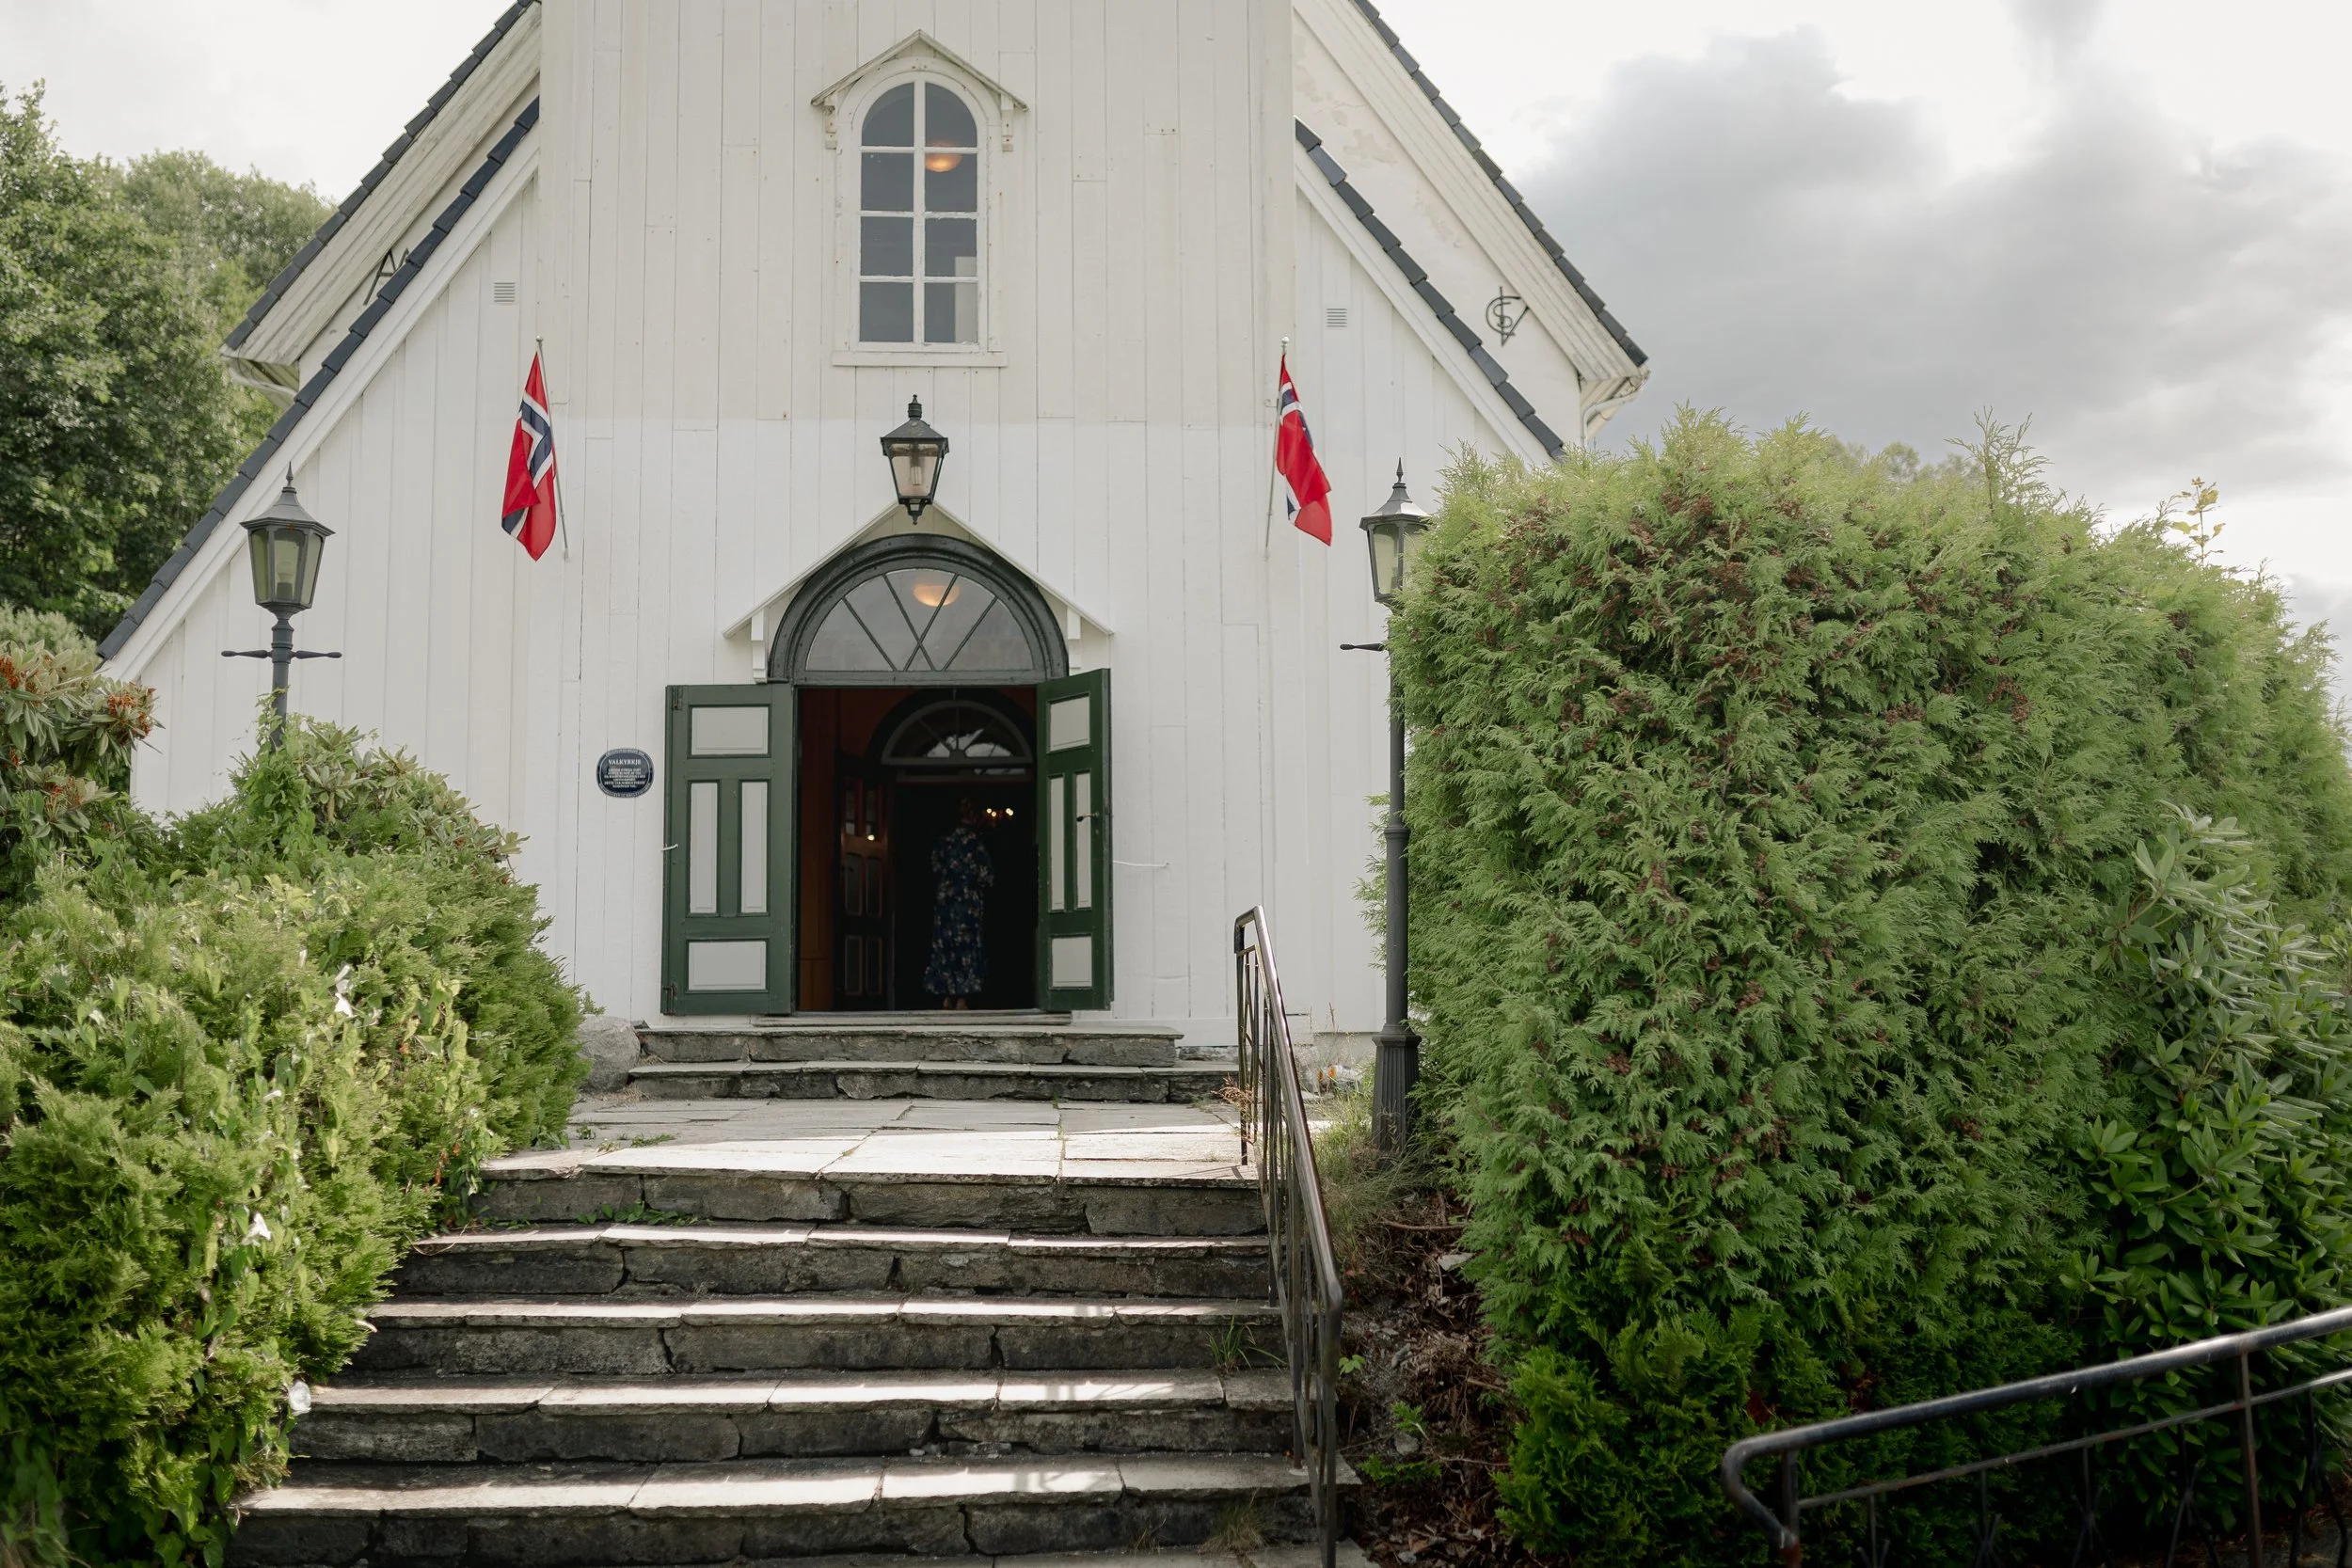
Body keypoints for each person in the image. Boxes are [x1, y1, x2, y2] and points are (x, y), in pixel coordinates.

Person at [923, 798, 993, 1008]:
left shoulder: (944, 841)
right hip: (967, 902)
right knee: (967, 947)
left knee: (945, 947)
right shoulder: (975, 842)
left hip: (946, 901)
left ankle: (945, 996)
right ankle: (962, 998)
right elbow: (987, 875)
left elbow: (934, 868)